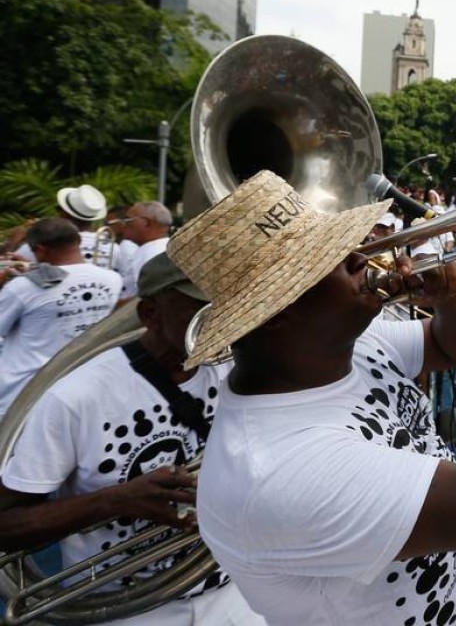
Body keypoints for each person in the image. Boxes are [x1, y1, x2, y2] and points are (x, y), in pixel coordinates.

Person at [166, 170, 456, 625]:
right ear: (274, 314)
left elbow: (454, 345)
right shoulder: (275, 467)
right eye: (328, 258)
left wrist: (449, 299)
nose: (359, 258)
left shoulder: (348, 344)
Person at [0, 253, 263, 624]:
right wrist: (116, 501)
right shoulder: (76, 397)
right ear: (150, 314)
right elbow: (6, 525)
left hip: (235, 593)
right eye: (202, 308)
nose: (221, 320)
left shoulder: (239, 367)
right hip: (127, 609)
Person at [0, 218, 122, 418]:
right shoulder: (112, 279)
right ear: (78, 241)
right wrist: (35, 269)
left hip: (21, 393)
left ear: (39, 249)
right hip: (79, 383)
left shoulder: (22, 287)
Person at [14, 184, 109, 265]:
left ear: (65, 213)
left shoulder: (45, 243)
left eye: (58, 208)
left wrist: (14, 240)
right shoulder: (112, 247)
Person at [118, 201, 173, 300]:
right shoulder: (169, 246)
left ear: (146, 223)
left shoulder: (149, 256)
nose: (123, 225)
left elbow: (144, 298)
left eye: (127, 220)